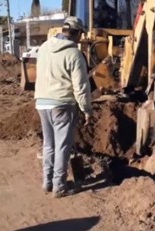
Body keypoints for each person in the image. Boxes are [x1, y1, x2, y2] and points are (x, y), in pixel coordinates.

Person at [34, 16, 92, 198]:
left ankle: (47, 182)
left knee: (49, 144)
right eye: (80, 35)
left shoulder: (43, 48)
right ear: (76, 33)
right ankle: (59, 186)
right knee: (62, 146)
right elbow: (80, 86)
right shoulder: (74, 54)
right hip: (62, 104)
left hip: (42, 103)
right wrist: (86, 109)